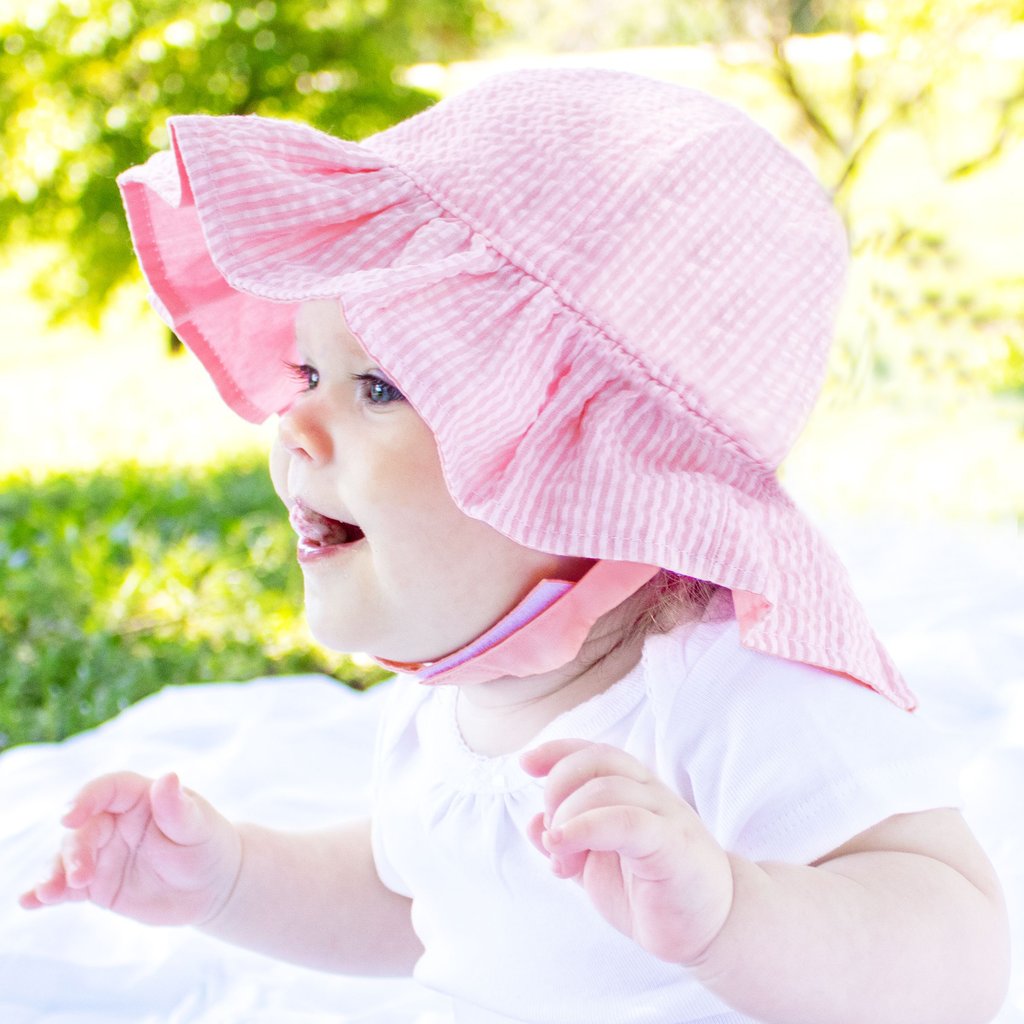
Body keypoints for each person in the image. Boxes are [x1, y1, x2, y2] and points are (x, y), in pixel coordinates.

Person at [21, 69, 1009, 1024]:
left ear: (583, 469)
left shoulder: (734, 690)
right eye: (307, 372)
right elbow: (415, 898)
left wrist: (733, 914)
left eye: (380, 389)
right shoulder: (448, 704)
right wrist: (231, 877)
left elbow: (958, 948)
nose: (295, 425)